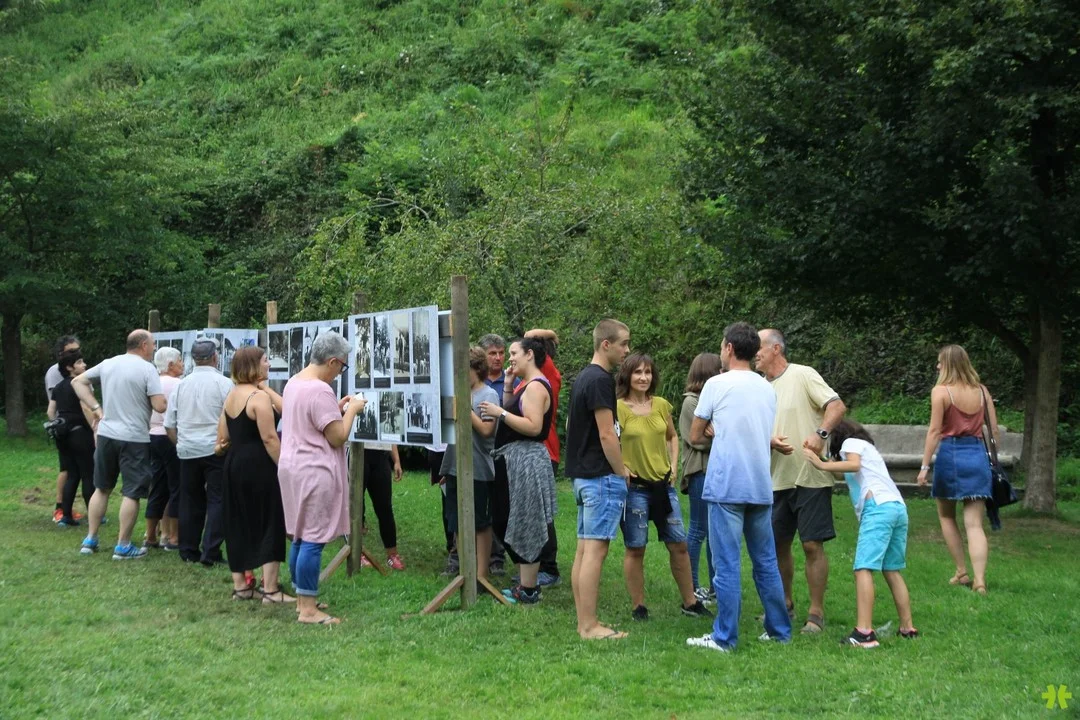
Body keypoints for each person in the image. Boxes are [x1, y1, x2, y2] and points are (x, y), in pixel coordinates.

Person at [686, 322, 791, 653]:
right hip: (760, 484)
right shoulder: (766, 387)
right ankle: (779, 630)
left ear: (729, 348)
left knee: (727, 564)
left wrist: (715, 430)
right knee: (766, 562)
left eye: (722, 346)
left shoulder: (716, 384)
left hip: (726, 484)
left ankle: (724, 637)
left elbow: (695, 435)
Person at [754, 328, 847, 634]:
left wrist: (821, 434)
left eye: (759, 347)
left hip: (810, 476)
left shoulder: (803, 374)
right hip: (774, 478)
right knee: (777, 545)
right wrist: (768, 442)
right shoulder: (758, 387)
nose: (755, 353)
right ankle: (784, 604)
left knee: (811, 545)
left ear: (776, 349)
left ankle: (816, 614)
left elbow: (836, 406)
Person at [803, 420, 918, 648]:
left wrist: (821, 464)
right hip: (896, 507)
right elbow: (843, 472)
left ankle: (864, 633)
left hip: (877, 509)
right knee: (891, 569)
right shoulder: (868, 448)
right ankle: (907, 628)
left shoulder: (850, 443)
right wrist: (821, 459)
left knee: (863, 568)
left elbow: (853, 466)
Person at [278, 332, 364, 625]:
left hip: (292, 467)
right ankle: (308, 610)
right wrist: (352, 411)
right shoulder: (320, 390)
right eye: (342, 366)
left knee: (300, 535)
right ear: (332, 362)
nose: (340, 372)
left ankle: (302, 599)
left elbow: (311, 419)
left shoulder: (294, 382)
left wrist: (336, 410)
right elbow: (337, 436)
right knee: (313, 538)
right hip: (314, 469)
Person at [616, 353, 709, 619]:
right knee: (636, 547)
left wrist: (674, 465)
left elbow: (672, 436)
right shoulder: (617, 407)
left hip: (663, 486)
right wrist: (621, 467)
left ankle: (690, 602)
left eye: (647, 372)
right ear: (627, 376)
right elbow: (606, 440)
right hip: (635, 489)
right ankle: (638, 607)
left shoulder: (660, 405)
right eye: (637, 372)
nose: (643, 377)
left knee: (679, 544)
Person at [72, 330, 167, 559]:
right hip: (134, 438)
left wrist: (96, 408)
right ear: (143, 345)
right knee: (132, 492)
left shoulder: (109, 363)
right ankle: (123, 545)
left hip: (107, 434)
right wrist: (162, 399)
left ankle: (90, 539)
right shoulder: (147, 369)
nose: (153, 348)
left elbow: (77, 381)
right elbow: (160, 406)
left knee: (102, 488)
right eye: (152, 344)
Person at [478, 337, 556, 604]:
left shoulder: (535, 387)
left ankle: (529, 589)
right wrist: (509, 386)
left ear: (529, 354)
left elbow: (533, 426)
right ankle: (526, 584)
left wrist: (499, 412)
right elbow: (516, 412)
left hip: (525, 463)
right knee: (509, 519)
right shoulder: (526, 384)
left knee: (524, 521)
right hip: (515, 460)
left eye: (513, 353)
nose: (509, 358)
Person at [566, 319, 631, 640]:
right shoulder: (600, 380)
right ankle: (589, 626)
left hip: (583, 476)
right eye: (623, 344)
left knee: (584, 550)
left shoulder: (583, 377)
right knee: (595, 551)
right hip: (600, 477)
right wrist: (621, 471)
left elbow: (572, 425)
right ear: (606, 344)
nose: (627, 350)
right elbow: (607, 434)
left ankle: (584, 622)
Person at [916, 344, 996, 596]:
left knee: (946, 516)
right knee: (974, 524)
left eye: (940, 362)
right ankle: (980, 581)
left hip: (950, 456)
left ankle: (962, 571)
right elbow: (993, 431)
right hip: (977, 456)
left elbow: (934, 432)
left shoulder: (941, 392)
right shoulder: (982, 391)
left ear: (948, 365)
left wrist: (924, 466)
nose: (937, 366)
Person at [216, 347, 292, 604]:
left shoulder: (231, 395)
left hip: (234, 463)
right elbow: (269, 438)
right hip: (259, 464)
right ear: (253, 366)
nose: (269, 364)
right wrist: (284, 468)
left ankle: (241, 586)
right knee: (270, 520)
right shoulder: (258, 398)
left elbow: (223, 436)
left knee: (237, 520)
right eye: (265, 360)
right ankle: (270, 589)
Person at [164, 336, 233, 566]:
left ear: (192, 359)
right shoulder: (224, 384)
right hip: (216, 449)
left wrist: (180, 444)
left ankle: (188, 549)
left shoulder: (181, 385)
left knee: (189, 500)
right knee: (218, 499)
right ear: (215, 357)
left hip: (187, 449)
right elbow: (231, 418)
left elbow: (169, 424)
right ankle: (211, 550)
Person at [440, 346, 499, 583]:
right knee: (457, 521)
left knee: (480, 523)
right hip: (455, 466)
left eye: (464, 370)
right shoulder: (458, 393)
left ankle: (481, 575)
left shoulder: (488, 395)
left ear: (477, 369)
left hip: (479, 469)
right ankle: (465, 570)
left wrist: (464, 406)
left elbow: (486, 430)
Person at [679, 352, 723, 604]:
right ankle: (693, 587)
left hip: (715, 471)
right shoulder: (691, 403)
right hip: (699, 472)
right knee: (698, 529)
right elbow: (697, 440)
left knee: (714, 532)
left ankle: (715, 588)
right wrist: (719, 436)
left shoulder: (714, 401)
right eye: (719, 370)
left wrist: (718, 433)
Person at [522, 328, 563, 587]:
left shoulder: (547, 372)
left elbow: (529, 334)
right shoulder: (534, 376)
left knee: (542, 513)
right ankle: (534, 566)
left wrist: (550, 334)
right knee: (533, 512)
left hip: (545, 451)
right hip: (534, 451)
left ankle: (549, 568)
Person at [47, 349, 96, 527]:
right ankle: (95, 515)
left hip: (63, 435)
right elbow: (86, 408)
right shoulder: (79, 384)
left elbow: (50, 412)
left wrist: (60, 424)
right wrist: (95, 429)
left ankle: (66, 515)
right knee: (88, 474)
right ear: (69, 367)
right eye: (80, 362)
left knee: (72, 474)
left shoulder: (58, 387)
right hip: (80, 434)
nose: (84, 365)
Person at [145, 346, 184, 550]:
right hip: (171, 437)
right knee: (176, 486)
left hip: (152, 436)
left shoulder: (152, 382)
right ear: (170, 365)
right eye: (180, 360)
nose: (182, 365)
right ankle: (174, 537)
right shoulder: (179, 384)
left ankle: (151, 534)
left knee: (158, 486)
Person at [478, 332, 509, 575]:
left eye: (501, 353)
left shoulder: (511, 381)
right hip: (479, 450)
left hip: (502, 450)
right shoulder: (474, 382)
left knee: (498, 504)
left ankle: (497, 555)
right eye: (492, 353)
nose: (498, 358)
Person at [46, 335, 82, 523]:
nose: (77, 353)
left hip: (73, 427)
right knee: (66, 469)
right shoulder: (55, 372)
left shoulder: (77, 370)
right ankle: (60, 508)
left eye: (78, 350)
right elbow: (54, 404)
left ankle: (68, 509)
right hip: (65, 428)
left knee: (75, 470)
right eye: (72, 351)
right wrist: (59, 427)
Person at [358, 444, 406, 570]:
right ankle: (357, 553)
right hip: (358, 453)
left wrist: (397, 461)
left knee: (385, 508)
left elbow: (390, 434)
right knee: (356, 507)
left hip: (380, 455)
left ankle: (392, 555)